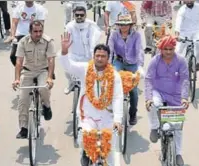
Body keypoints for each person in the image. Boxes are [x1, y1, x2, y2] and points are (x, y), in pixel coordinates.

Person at [60, 32, 123, 166]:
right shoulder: (85, 69)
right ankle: (85, 153)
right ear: (93, 57)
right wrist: (64, 52)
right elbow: (68, 66)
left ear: (108, 58)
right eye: (97, 56)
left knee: (110, 149)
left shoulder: (115, 76)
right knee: (84, 138)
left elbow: (118, 98)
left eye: (103, 56)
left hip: (107, 116)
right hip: (87, 115)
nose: (100, 59)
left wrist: (118, 120)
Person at [145, 35, 189, 166]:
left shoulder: (181, 61)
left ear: (174, 48)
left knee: (177, 126)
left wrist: (184, 97)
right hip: (158, 92)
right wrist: (148, 99)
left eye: (171, 49)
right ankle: (154, 127)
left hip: (176, 95)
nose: (168, 52)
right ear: (160, 49)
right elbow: (148, 79)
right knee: (153, 104)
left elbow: (185, 79)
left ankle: (178, 153)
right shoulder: (155, 61)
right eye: (165, 49)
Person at [12, 20, 56, 139]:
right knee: (22, 99)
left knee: (43, 88)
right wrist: (16, 79)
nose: (38, 34)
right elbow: (19, 61)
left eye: (40, 31)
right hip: (28, 71)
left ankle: (46, 106)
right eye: (35, 31)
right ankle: (24, 128)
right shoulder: (23, 42)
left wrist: (49, 78)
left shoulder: (48, 41)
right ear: (30, 32)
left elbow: (51, 60)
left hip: (43, 70)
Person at [108, 14, 144, 125]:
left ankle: (133, 113)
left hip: (132, 64)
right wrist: (108, 66)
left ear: (130, 25)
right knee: (112, 83)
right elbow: (110, 50)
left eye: (126, 24)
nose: (123, 27)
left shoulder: (136, 35)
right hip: (118, 62)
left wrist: (140, 66)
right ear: (118, 25)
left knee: (133, 91)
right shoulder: (114, 35)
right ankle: (112, 109)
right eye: (121, 25)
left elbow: (139, 51)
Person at [63, 5, 102, 94]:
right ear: (74, 16)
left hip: (87, 56)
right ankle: (71, 83)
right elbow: (67, 41)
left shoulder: (91, 25)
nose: (79, 17)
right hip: (74, 55)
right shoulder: (69, 26)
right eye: (77, 15)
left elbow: (93, 42)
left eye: (81, 15)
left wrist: (93, 57)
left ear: (85, 15)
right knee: (66, 70)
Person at [5, 1, 48, 66]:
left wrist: (39, 36)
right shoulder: (19, 8)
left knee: (36, 57)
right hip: (20, 35)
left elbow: (41, 24)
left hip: (33, 35)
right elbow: (14, 22)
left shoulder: (40, 9)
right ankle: (22, 70)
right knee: (13, 56)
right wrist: (12, 36)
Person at [175, 0, 199, 72]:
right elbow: (178, 21)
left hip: (196, 32)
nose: (189, 1)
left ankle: (198, 63)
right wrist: (177, 34)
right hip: (184, 33)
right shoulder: (182, 10)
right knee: (178, 50)